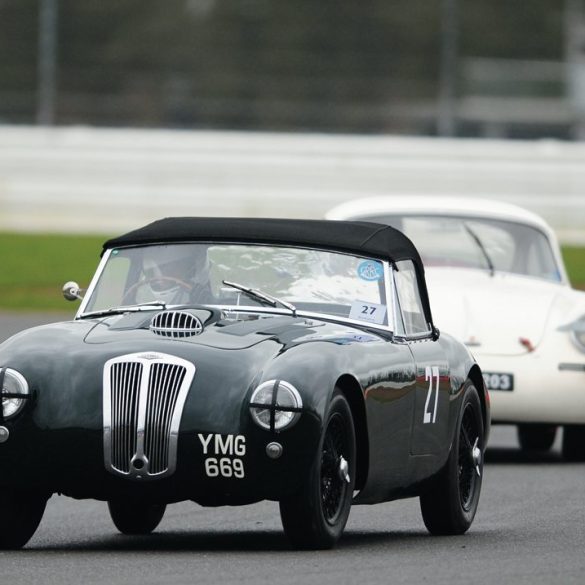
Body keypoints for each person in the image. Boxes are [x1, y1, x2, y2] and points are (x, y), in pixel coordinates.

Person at [134, 244, 214, 305]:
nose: (160, 281)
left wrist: (210, 303)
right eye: (151, 273)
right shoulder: (141, 307)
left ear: (192, 270)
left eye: (169, 270)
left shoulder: (219, 302)